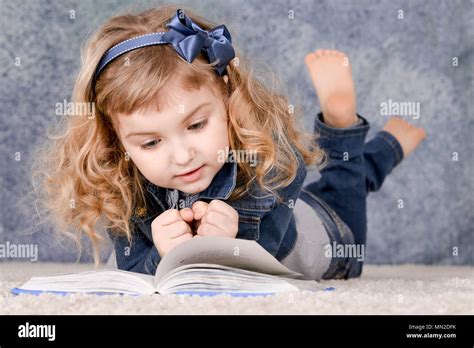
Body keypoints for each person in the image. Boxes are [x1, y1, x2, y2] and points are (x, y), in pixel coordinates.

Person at [30, 5, 426, 280]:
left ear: (227, 101)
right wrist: (162, 255)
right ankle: (388, 145)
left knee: (344, 182)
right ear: (116, 143)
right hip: (302, 210)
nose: (182, 155)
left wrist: (234, 241)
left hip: (328, 234)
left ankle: (344, 124)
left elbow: (264, 273)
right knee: (356, 178)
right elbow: (135, 275)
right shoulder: (125, 187)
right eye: (150, 143)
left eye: (197, 125)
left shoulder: (268, 159)